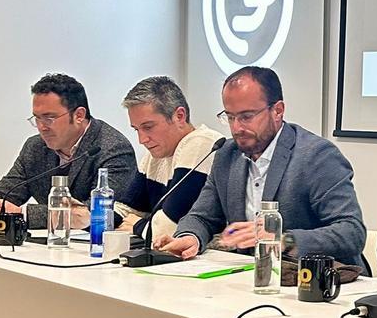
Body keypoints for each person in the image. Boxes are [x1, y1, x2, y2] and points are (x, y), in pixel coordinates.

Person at [156, 66, 365, 265]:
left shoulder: (316, 156)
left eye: (247, 117)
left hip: (317, 283)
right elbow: (202, 216)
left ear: (278, 110)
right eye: (230, 117)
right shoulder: (227, 154)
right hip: (251, 276)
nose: (237, 127)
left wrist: (283, 239)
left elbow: (351, 232)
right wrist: (191, 237)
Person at [0, 73, 136, 230]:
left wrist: (23, 214)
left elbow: (101, 213)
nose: (42, 127)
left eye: (49, 118)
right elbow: (1, 195)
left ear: (79, 115)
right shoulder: (35, 147)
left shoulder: (113, 149)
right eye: (37, 118)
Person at [113, 76, 221, 246]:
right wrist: (89, 218)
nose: (142, 139)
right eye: (136, 129)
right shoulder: (156, 154)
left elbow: (167, 231)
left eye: (148, 127)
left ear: (179, 116)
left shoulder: (202, 143)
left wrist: (137, 225)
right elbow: (126, 211)